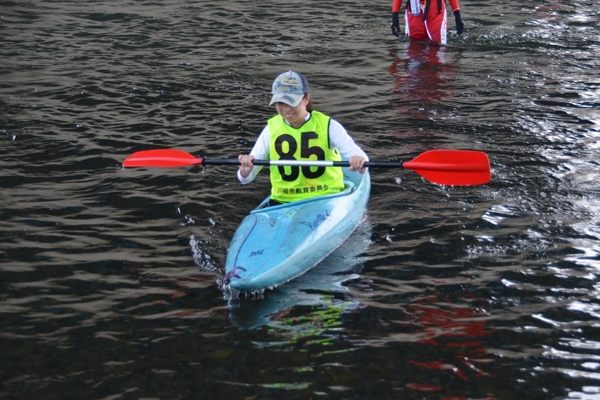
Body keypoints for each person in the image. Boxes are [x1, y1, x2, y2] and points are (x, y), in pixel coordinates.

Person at [238, 71, 369, 205]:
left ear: (306, 99)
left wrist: (360, 163)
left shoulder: (329, 126)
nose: (286, 109)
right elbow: (245, 179)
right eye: (280, 103)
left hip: (326, 199)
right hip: (283, 202)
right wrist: (245, 171)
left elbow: (363, 160)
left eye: (291, 102)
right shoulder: (270, 129)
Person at [391, 0, 464, 45]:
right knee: (414, 48)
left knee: (437, 48)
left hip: (436, 9)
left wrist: (457, 15)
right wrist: (394, 16)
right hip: (414, 8)